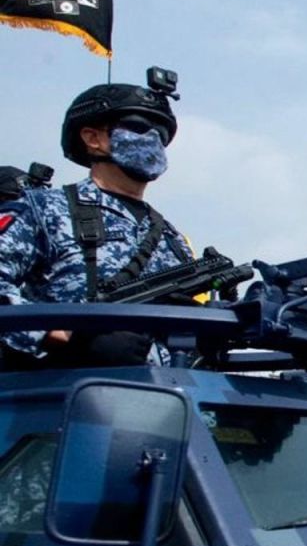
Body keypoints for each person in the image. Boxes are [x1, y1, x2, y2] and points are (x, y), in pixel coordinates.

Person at [0, 73, 193, 368]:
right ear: (93, 138)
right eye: (138, 127)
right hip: (60, 397)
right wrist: (58, 335)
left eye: (161, 134)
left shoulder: (171, 238)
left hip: (161, 400)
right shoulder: (44, 210)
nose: (153, 139)